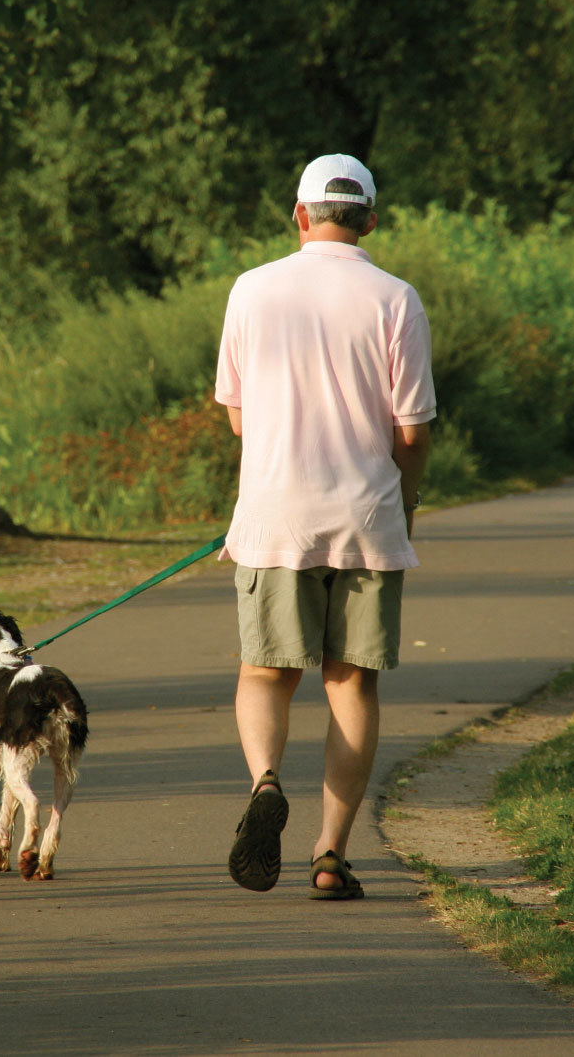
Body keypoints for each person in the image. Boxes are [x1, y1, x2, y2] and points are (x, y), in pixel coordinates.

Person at [214, 154, 436, 901]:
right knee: (350, 682)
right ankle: (330, 854)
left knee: (264, 671)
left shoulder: (252, 290)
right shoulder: (397, 298)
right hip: (366, 516)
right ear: (371, 218)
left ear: (300, 215)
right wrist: (406, 505)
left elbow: (239, 417)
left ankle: (266, 779)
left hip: (275, 514)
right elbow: (413, 431)